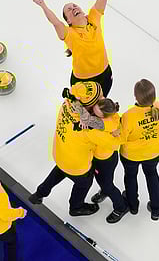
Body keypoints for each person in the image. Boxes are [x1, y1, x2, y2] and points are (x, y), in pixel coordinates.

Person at [33, 0, 116, 97]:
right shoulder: (69, 34)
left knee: (100, 111)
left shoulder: (93, 17)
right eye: (69, 10)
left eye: (74, 6)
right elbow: (55, 22)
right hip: (82, 82)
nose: (74, 8)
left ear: (83, 12)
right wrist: (43, 5)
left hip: (104, 75)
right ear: (69, 21)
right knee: (84, 116)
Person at [29, 81, 114, 216]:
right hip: (77, 165)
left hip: (60, 152)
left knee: (61, 169)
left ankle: (40, 193)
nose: (102, 100)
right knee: (84, 183)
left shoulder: (67, 103)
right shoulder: (89, 127)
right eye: (99, 99)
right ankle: (76, 207)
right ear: (90, 105)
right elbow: (112, 137)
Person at [120, 79, 159, 221]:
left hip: (131, 155)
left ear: (135, 96)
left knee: (130, 177)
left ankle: (133, 206)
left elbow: (121, 138)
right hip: (154, 152)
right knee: (152, 175)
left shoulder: (128, 116)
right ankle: (156, 209)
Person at [88, 98, 129, 224]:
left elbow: (90, 134)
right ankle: (104, 191)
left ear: (104, 117)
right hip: (105, 157)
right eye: (93, 111)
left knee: (107, 184)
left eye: (96, 114)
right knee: (103, 181)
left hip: (105, 160)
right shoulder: (113, 116)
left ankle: (121, 207)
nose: (93, 115)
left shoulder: (100, 131)